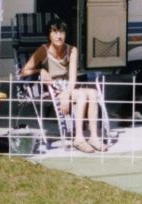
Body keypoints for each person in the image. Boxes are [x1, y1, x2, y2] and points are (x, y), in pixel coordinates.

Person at [21, 18, 105, 153]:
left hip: (68, 86)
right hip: (53, 88)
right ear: (49, 35)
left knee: (93, 93)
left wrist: (67, 94)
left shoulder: (72, 50)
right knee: (82, 95)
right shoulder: (43, 50)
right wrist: (40, 70)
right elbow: (23, 71)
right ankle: (78, 138)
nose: (59, 36)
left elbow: (72, 78)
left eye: (62, 32)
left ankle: (94, 137)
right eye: (54, 32)